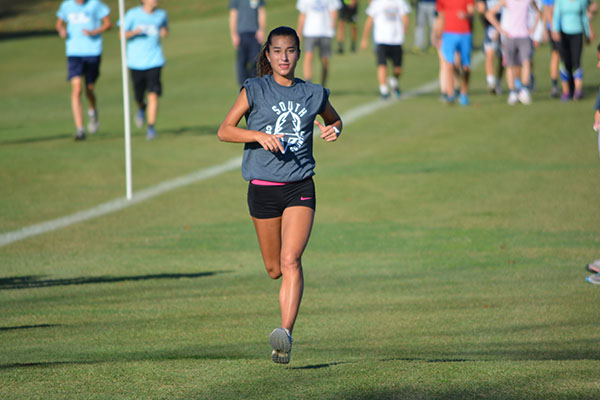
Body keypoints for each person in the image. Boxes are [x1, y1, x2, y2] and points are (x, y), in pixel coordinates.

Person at [217, 26, 342, 364]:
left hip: (300, 186)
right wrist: (258, 135)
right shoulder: (255, 89)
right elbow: (224, 130)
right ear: (268, 55)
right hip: (263, 189)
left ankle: (284, 334)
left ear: (298, 53)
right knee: (274, 269)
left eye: (290, 51)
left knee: (291, 260)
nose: (284, 57)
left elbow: (335, 119)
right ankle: (283, 328)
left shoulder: (313, 93)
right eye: (277, 51)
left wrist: (334, 129)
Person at [56, 0, 112, 141]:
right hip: (74, 52)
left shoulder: (95, 4)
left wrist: (94, 32)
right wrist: (61, 30)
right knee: (76, 90)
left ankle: (92, 112)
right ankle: (80, 129)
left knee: (89, 89)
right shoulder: (66, 5)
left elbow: (108, 24)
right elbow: (59, 23)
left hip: (93, 51)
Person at [122, 0, 168, 140]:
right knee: (138, 96)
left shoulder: (161, 14)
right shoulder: (132, 14)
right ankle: (141, 107)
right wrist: (133, 33)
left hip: (155, 60)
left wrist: (164, 31)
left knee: (153, 94)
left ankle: (151, 127)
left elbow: (164, 30)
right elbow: (121, 34)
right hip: (136, 62)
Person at [486, 0, 541, 105]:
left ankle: (524, 89)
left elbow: (538, 12)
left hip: (524, 35)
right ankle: (513, 92)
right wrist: (500, 30)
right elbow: (489, 14)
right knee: (510, 65)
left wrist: (533, 28)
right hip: (510, 37)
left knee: (526, 62)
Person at [361, 0, 411, 98]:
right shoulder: (376, 2)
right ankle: (383, 89)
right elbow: (370, 19)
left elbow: (405, 17)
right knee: (382, 65)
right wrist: (364, 38)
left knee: (398, 69)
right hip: (381, 39)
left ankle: (394, 80)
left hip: (396, 40)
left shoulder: (399, 2)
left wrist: (404, 29)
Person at [435, 0, 475, 105]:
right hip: (448, 34)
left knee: (466, 67)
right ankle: (450, 93)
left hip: (465, 33)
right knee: (449, 64)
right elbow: (440, 16)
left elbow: (471, 11)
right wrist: (438, 35)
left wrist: (465, 15)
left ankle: (464, 92)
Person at [551, 0, 592, 101]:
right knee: (565, 63)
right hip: (563, 34)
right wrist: (555, 30)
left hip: (577, 34)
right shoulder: (560, 1)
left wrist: (587, 33)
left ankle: (578, 91)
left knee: (576, 61)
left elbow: (584, 17)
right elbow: (556, 15)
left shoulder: (581, 1)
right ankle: (567, 91)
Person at [297, 0, 342, 86]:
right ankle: (308, 82)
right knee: (308, 57)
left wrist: (332, 25)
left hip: (325, 32)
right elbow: (302, 15)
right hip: (310, 31)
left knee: (325, 60)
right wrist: (299, 33)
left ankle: (323, 84)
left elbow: (334, 11)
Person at [229, 0, 267, 85]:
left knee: (256, 61)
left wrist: (261, 30)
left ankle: (255, 84)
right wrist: (233, 34)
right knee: (242, 63)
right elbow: (233, 14)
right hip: (241, 34)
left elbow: (261, 12)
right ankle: (243, 87)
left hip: (255, 33)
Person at [477, 0, 504, 94]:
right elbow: (481, 10)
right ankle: (491, 82)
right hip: (491, 28)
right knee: (490, 54)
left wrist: (501, 28)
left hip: (506, 27)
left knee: (503, 58)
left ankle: (498, 82)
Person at [542, 0, 560, 97]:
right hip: (554, 29)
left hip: (568, 27)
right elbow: (546, 9)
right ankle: (555, 85)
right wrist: (547, 29)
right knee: (556, 54)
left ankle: (570, 84)